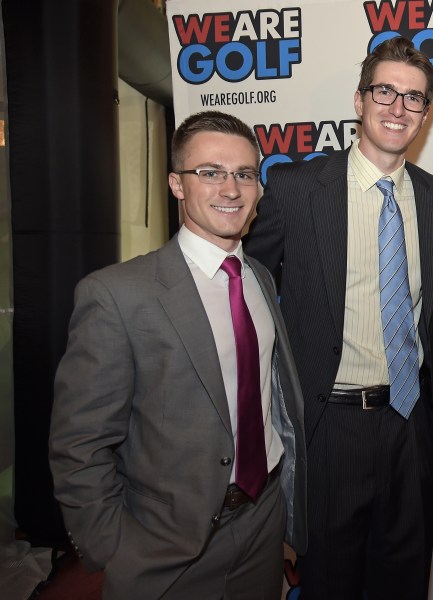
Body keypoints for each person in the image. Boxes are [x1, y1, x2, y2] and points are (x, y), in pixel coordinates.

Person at [49, 110, 307, 599]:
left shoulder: (259, 278)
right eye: (209, 172)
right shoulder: (116, 295)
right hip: (166, 547)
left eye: (245, 174)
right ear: (176, 184)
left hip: (263, 521)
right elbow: (78, 446)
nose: (230, 189)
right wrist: (114, 550)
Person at [244, 36, 433, 599]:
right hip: (330, 426)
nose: (398, 107)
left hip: (410, 426)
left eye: (413, 98)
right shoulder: (296, 189)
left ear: (425, 114)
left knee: (404, 582)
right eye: (385, 91)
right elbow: (244, 292)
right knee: (331, 584)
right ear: (359, 101)